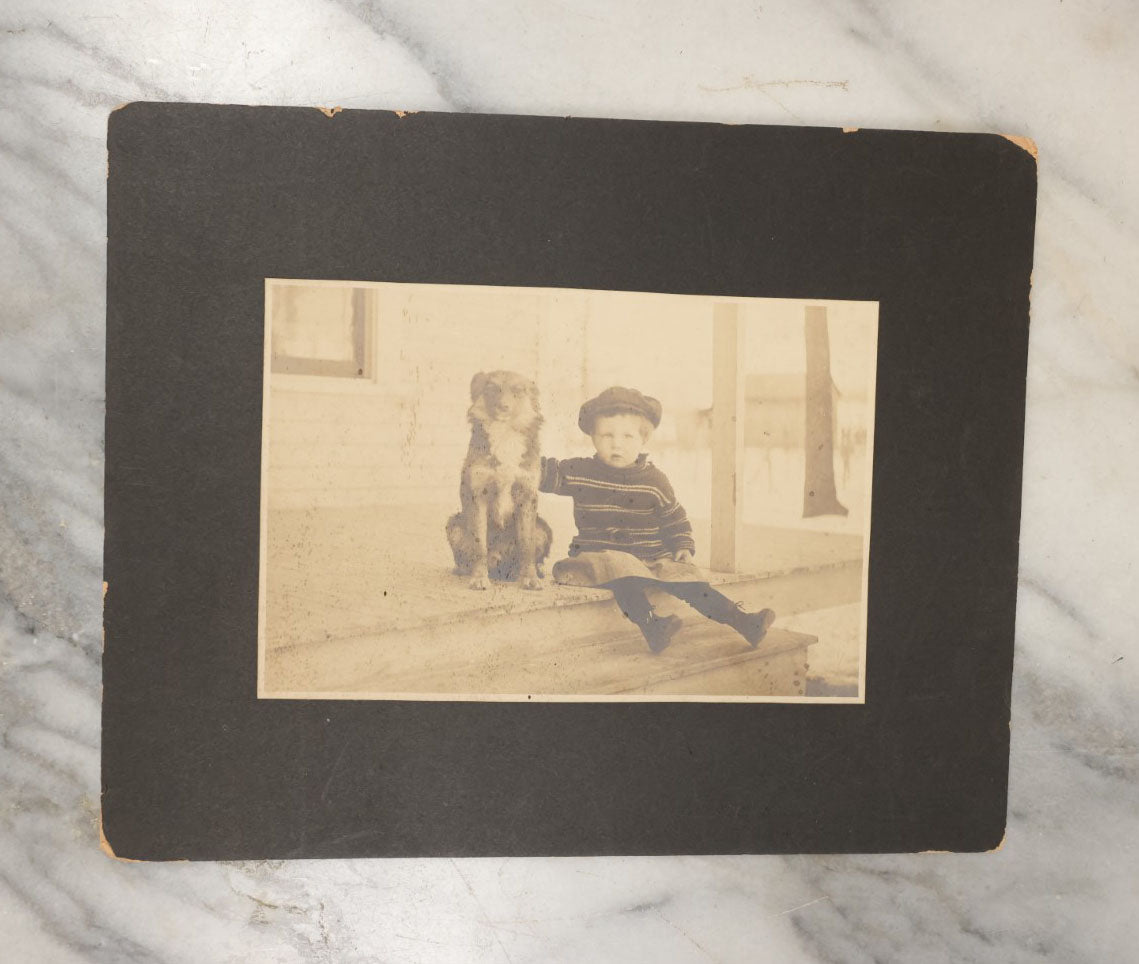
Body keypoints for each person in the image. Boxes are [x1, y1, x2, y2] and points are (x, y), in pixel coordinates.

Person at [539, 386, 776, 653]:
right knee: (621, 569)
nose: (617, 444)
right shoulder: (579, 471)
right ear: (592, 437)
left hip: (650, 557)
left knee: (688, 579)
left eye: (628, 436)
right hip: (599, 555)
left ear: (644, 439)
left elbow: (673, 515)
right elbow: (542, 473)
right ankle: (652, 625)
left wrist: (681, 545)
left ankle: (744, 622)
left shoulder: (654, 481)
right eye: (606, 435)